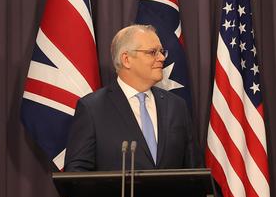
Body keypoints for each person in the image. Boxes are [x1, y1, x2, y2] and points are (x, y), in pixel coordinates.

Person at [64, 24, 202, 171]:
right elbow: (77, 173)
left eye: (161, 52)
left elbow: (195, 171)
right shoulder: (93, 109)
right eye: (152, 52)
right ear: (126, 59)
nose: (161, 58)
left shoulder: (176, 106)